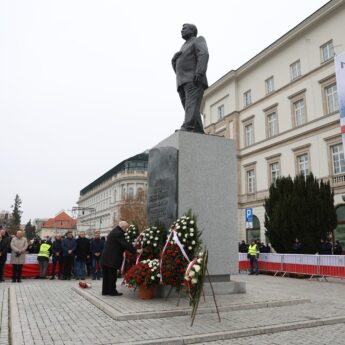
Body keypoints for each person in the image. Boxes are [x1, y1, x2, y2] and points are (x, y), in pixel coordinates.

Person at [172, 23, 209, 133]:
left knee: (191, 105)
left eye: (184, 28)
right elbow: (179, 69)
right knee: (190, 108)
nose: (181, 31)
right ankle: (198, 130)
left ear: (192, 30)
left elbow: (204, 54)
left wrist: (200, 72)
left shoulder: (198, 40)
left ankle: (187, 126)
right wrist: (174, 61)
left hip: (194, 79)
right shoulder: (183, 46)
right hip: (181, 81)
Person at [100, 221, 136, 296]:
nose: (127, 229)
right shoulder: (119, 233)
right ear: (123, 227)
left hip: (106, 258)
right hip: (111, 259)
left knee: (106, 276)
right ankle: (112, 292)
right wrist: (135, 250)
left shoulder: (114, 231)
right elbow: (125, 244)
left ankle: (105, 291)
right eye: (126, 228)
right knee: (112, 275)